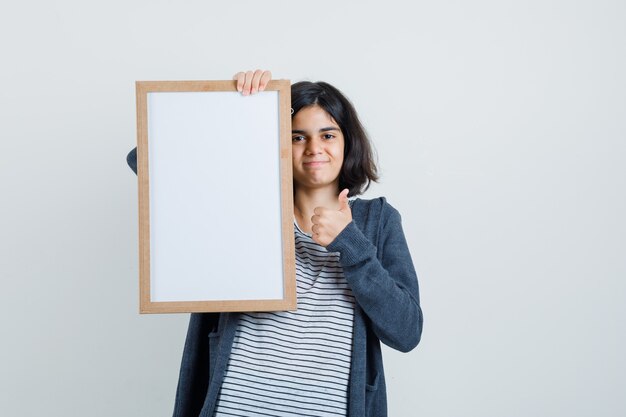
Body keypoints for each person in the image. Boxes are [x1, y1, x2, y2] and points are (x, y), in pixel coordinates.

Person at [127, 70, 423, 417]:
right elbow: (146, 160)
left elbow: (407, 332)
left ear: (347, 142)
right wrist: (237, 112)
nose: (314, 148)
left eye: (328, 134)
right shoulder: (241, 210)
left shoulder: (378, 221)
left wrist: (351, 245)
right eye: (297, 137)